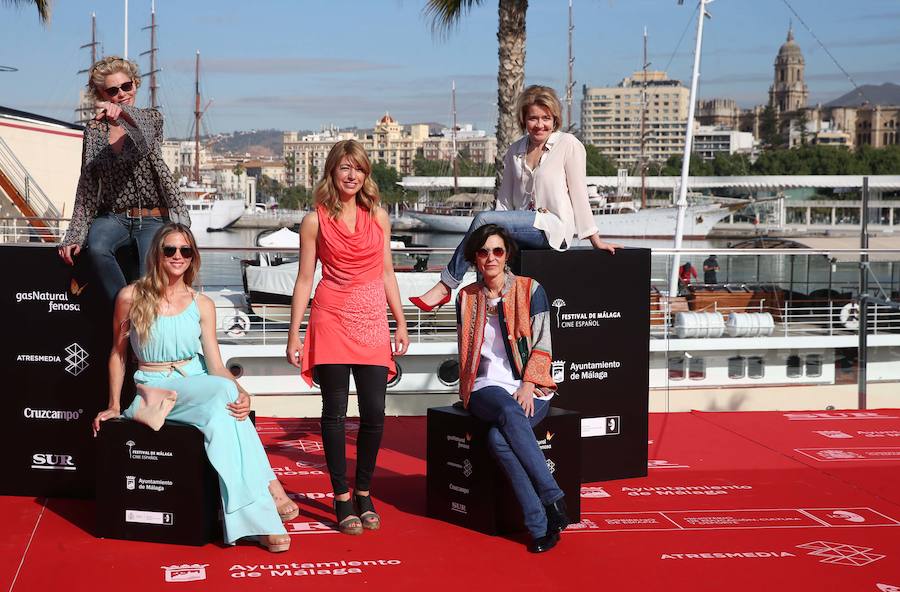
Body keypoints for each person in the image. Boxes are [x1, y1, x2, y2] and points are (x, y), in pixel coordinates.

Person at [92, 223, 295, 553]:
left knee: (225, 411)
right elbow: (118, 354)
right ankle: (268, 489)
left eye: (185, 251)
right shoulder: (131, 297)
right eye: (169, 250)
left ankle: (258, 521)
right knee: (222, 397)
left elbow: (215, 366)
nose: (177, 256)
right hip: (154, 390)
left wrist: (241, 392)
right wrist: (114, 404)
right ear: (156, 254)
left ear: (193, 257)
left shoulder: (202, 304)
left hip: (199, 383)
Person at [285, 140, 409, 535]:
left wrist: (400, 322)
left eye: (358, 168)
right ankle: (341, 496)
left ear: (366, 175)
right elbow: (305, 278)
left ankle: (364, 490)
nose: (352, 175)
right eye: (344, 168)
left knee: (374, 412)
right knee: (334, 414)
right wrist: (294, 333)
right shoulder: (315, 221)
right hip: (331, 318)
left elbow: (388, 272)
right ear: (332, 173)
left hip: (372, 319)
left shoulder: (380, 216)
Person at [411, 84, 619, 311]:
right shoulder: (515, 150)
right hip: (521, 228)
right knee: (487, 226)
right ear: (523, 119)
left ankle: (446, 285)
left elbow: (580, 194)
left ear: (555, 119)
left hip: (551, 228)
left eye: (546, 118)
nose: (540, 125)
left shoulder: (568, 145)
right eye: (533, 118)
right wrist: (492, 236)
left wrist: (594, 239)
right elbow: (504, 201)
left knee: (483, 219)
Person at [455, 224, 569, 553]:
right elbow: (466, 354)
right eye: (483, 252)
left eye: (497, 251)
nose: (490, 258)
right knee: (506, 410)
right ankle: (554, 497)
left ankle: (540, 526)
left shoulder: (531, 289)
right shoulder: (466, 298)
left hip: (529, 383)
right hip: (483, 386)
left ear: (507, 256)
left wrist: (529, 382)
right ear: (475, 258)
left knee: (497, 439)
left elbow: (543, 343)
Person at [58, 56, 190, 305]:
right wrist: (74, 235)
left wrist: (122, 115)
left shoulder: (151, 118)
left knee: (148, 282)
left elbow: (144, 139)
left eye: (126, 86)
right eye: (112, 90)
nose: (121, 94)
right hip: (113, 217)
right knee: (96, 247)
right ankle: (125, 309)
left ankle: (137, 320)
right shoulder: (95, 130)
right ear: (101, 93)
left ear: (135, 85)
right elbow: (87, 183)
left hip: (153, 217)